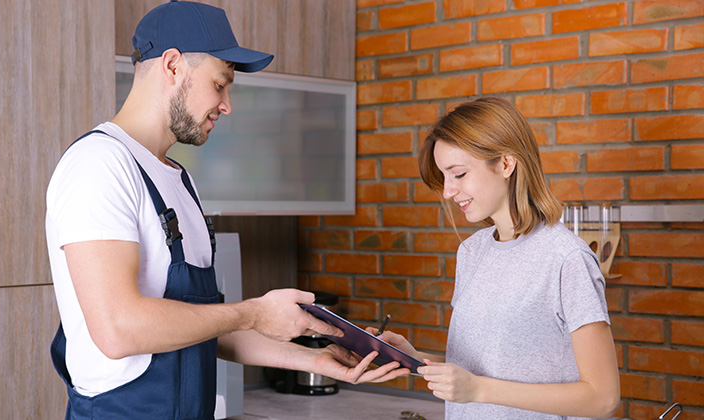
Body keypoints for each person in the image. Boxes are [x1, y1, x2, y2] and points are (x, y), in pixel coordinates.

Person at [45, 1, 409, 419]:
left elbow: (206, 327)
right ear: (173, 65)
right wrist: (254, 312)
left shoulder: (179, 180)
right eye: (220, 84)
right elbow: (117, 329)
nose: (227, 104)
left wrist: (312, 360)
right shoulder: (99, 165)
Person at [371, 97, 620, 419]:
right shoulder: (472, 251)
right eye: (443, 177)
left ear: (505, 164)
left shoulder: (566, 259)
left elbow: (602, 398)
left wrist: (478, 389)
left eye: (458, 174)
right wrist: (415, 359)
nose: (447, 191)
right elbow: (484, 368)